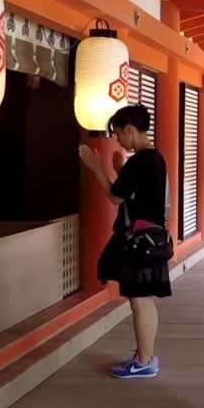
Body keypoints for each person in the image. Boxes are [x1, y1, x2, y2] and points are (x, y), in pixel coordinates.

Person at [78, 104, 170, 379]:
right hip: (151, 238)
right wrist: (120, 169)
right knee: (144, 300)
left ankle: (144, 362)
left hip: (138, 242)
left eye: (118, 133)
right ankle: (147, 357)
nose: (118, 139)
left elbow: (116, 197)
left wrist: (97, 168)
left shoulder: (141, 160)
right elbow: (137, 194)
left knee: (139, 301)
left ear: (130, 129)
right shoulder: (155, 158)